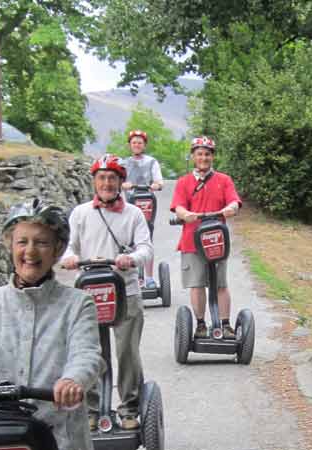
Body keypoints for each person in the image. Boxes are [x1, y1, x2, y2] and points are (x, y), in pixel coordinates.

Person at [0, 198, 104, 450]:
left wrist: (72, 379)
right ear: (10, 245)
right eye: (22, 242)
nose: (30, 252)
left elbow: (86, 353)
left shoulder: (78, 304)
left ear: (57, 249)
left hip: (60, 436)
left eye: (42, 243)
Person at [61, 154, 153, 431]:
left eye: (112, 178)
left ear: (121, 182)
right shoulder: (80, 213)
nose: (107, 183)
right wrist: (69, 258)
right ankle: (91, 409)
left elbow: (146, 248)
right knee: (91, 352)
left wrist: (132, 259)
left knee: (127, 352)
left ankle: (129, 408)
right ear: (94, 182)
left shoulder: (134, 214)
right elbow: (69, 246)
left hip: (126, 291)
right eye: (101, 177)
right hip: (89, 292)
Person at [170, 136, 242, 340]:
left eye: (207, 154)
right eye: (199, 154)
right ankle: (200, 324)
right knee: (197, 283)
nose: (203, 158)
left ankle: (226, 325)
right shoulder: (184, 182)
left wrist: (231, 208)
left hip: (216, 241)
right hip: (192, 242)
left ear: (212, 157)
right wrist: (185, 214)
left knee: (220, 283)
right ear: (193, 156)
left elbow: (234, 201)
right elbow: (179, 206)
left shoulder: (224, 180)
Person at [120, 129, 164, 289]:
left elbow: (159, 181)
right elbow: (118, 181)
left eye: (140, 142)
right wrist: (122, 184)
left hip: (147, 203)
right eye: (134, 142)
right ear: (130, 145)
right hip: (129, 204)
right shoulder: (123, 163)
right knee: (129, 240)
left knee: (147, 239)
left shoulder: (151, 162)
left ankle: (149, 277)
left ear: (144, 145)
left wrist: (156, 185)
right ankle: (133, 277)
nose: (137, 145)